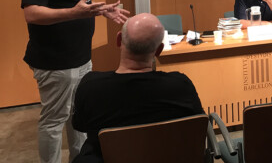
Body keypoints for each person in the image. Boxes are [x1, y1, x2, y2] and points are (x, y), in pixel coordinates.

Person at [20, 0, 129, 163]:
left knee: (78, 116)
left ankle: (80, 160)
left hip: (80, 59)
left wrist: (100, 10)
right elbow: (32, 13)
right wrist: (74, 13)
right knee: (54, 120)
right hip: (56, 63)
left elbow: (77, 5)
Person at [72, 13, 204, 163]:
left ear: (118, 40)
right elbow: (198, 126)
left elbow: (80, 125)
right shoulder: (181, 86)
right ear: (159, 50)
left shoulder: (91, 87)